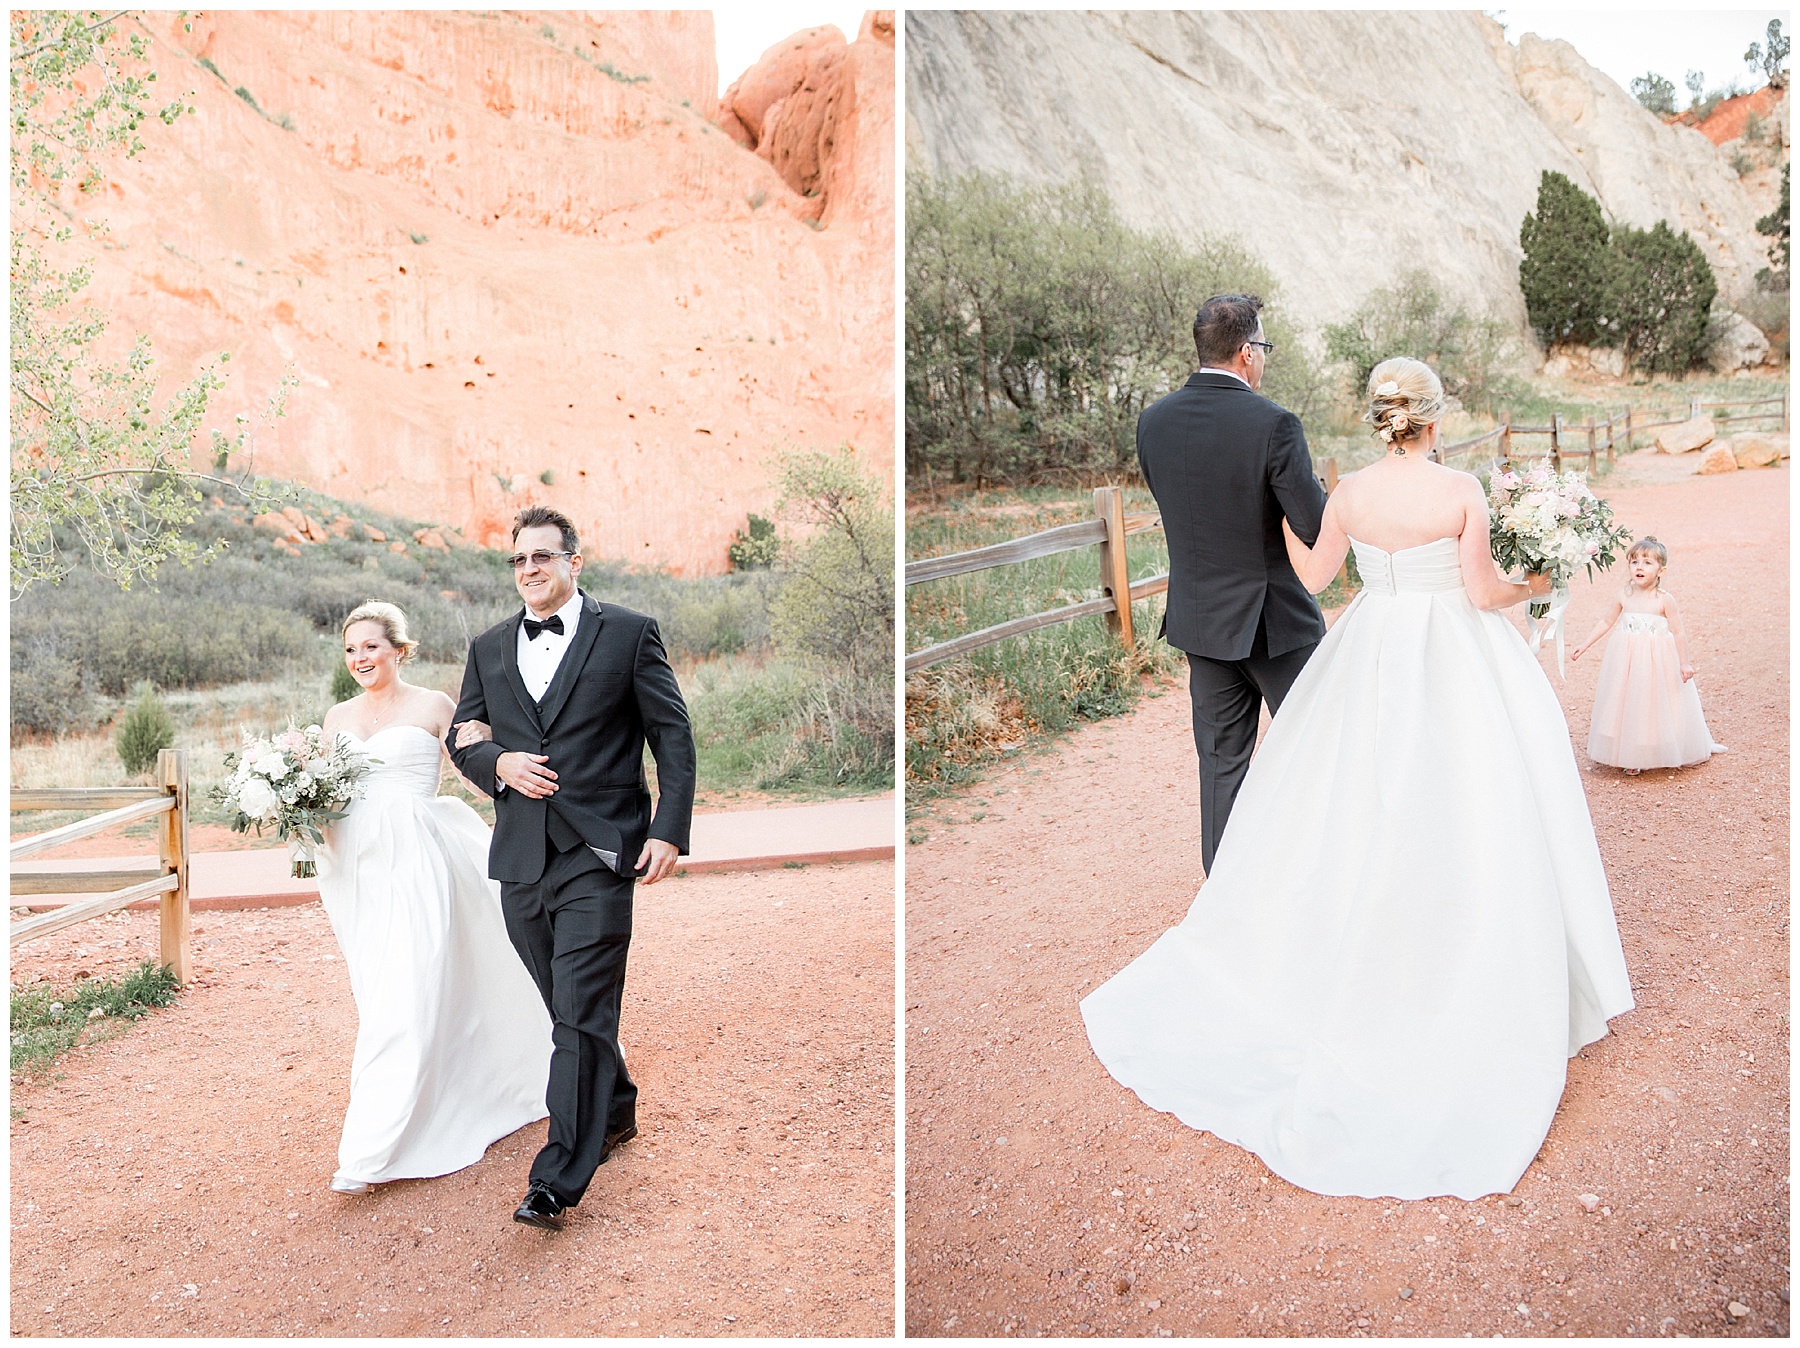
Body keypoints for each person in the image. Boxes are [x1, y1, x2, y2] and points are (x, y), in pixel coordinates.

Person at [1082, 357, 1635, 1200]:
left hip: (1372, 646)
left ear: (1381, 421)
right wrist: (1537, 581)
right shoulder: (1460, 490)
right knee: (1474, 796)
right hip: (1454, 654)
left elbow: (1310, 578)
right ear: (1435, 418)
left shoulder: (1347, 494)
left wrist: (1262, 522)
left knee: (1356, 791)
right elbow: (1482, 591)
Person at [448, 506, 696, 1231]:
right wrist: (498, 762)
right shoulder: (489, 647)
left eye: (543, 557)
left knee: (582, 1010)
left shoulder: (629, 633)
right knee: (566, 1008)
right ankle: (614, 1109)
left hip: (600, 850)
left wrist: (669, 830)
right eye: (519, 559)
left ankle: (556, 1180)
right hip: (522, 857)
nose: (529, 569)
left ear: (573, 563)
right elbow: (463, 736)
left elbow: (672, 735)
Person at [316, 601, 552, 1195]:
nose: (360, 658)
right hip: (354, 868)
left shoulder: (435, 705)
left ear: (399, 650)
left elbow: (476, 765)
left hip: (418, 858)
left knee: (409, 983)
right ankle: (433, 1089)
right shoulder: (336, 717)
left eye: (371, 646)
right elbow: (323, 794)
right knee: (380, 988)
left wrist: (505, 757)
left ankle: (375, 1144)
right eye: (350, 649)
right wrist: (290, 804)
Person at [1137, 293, 1328, 875]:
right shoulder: (1274, 424)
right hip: (1277, 624)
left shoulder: (1153, 422)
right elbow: (1313, 524)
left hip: (1201, 620)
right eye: (1263, 347)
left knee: (1221, 765)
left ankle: (1225, 894)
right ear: (1247, 351)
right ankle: (1313, 876)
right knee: (1315, 750)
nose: (1263, 358)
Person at [1570, 536, 1726, 774]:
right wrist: (1585, 644)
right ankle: (1630, 754)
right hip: (1627, 660)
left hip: (1656, 661)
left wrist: (1684, 663)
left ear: (1661, 570)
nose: (1639, 567)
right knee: (1627, 701)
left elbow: (1679, 632)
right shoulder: (1624, 595)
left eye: (1647, 562)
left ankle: (1655, 748)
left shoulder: (1664, 599)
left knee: (1653, 701)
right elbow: (1606, 621)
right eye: (1634, 562)